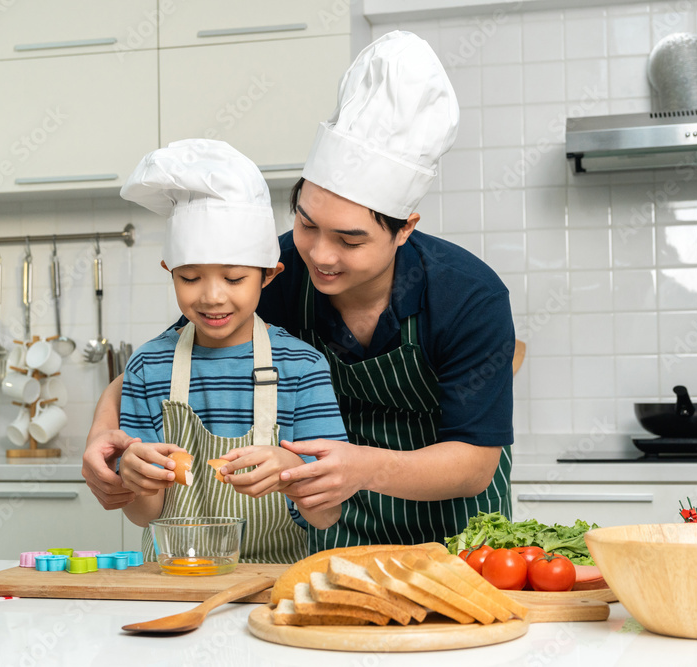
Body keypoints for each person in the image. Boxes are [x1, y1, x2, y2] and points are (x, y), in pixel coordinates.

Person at [83, 31, 516, 552]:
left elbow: (473, 461)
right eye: (308, 224)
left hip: (454, 535)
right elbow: (175, 353)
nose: (320, 254)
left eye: (350, 239)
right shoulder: (276, 269)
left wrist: (364, 466)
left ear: (404, 229)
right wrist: (104, 432)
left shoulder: (468, 296)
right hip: (327, 529)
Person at [115, 139, 346, 564]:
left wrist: (291, 474)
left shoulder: (302, 367)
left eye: (235, 278)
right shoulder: (148, 366)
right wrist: (135, 478)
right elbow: (143, 515)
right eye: (190, 277)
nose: (212, 297)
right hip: (173, 581)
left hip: (272, 588)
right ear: (169, 272)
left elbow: (326, 515)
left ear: (269, 276)